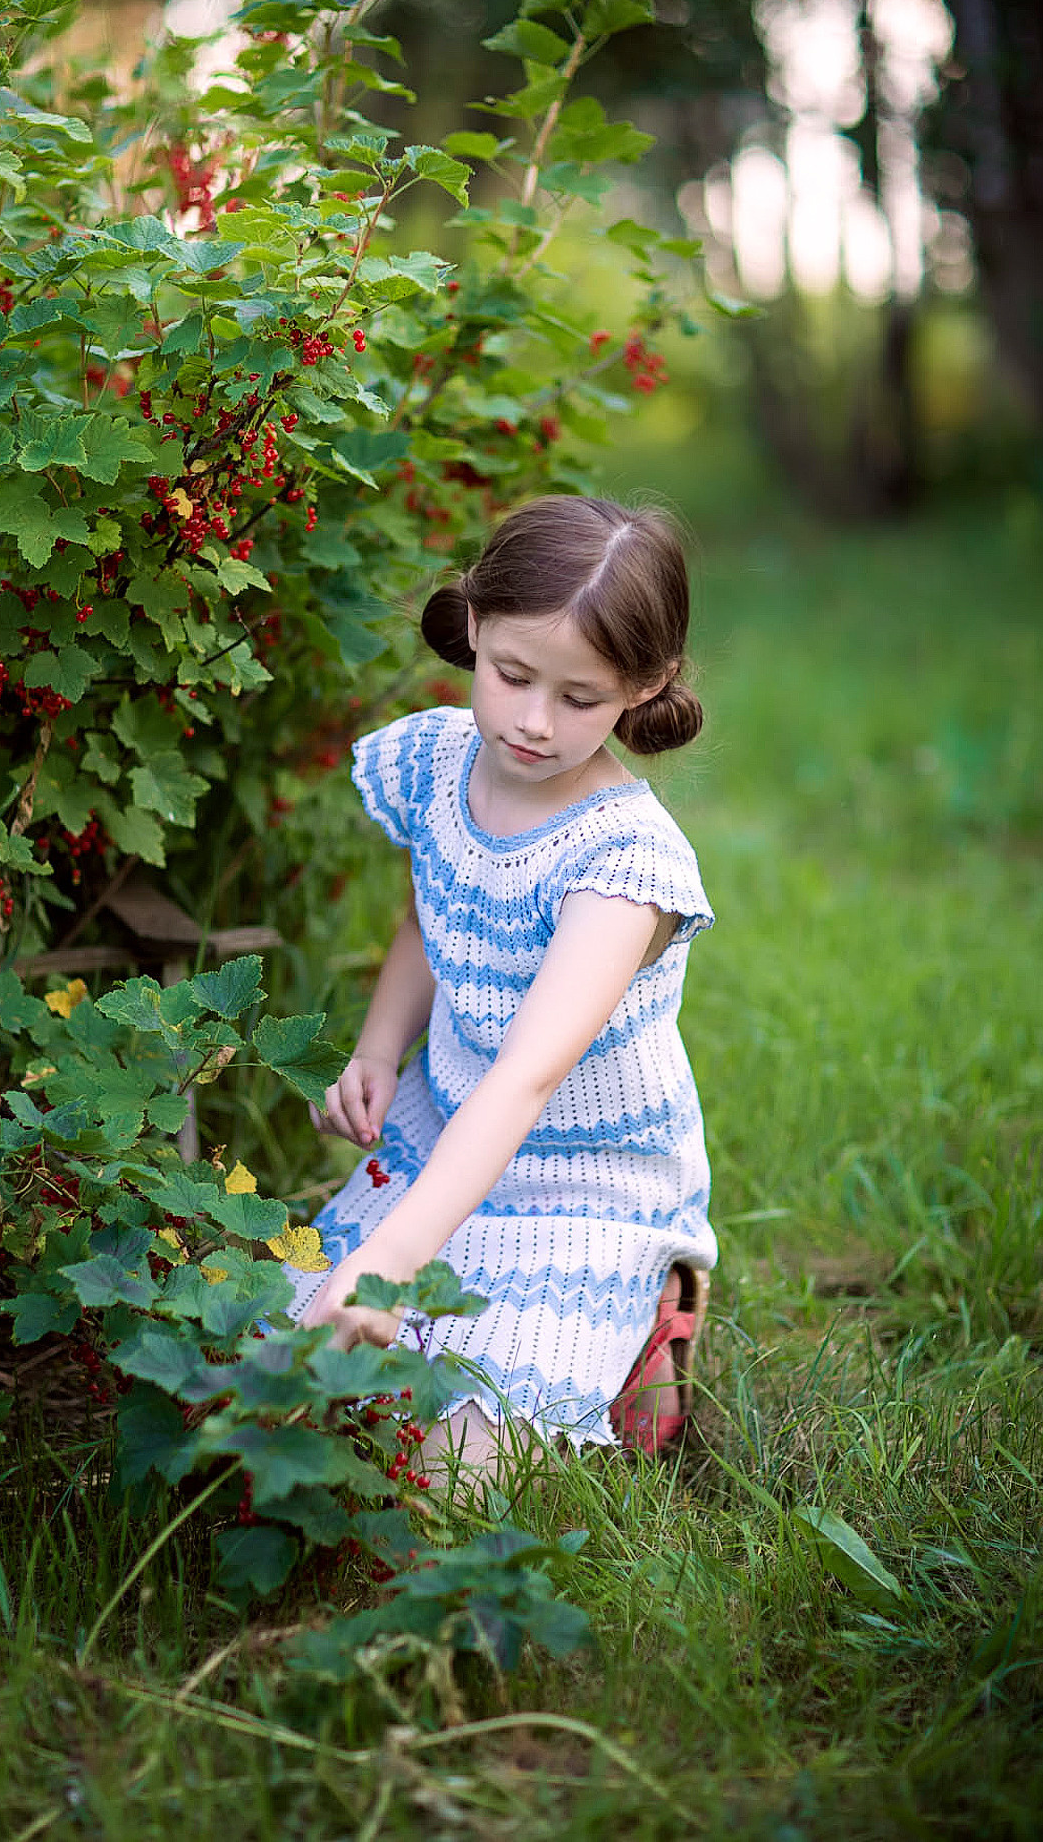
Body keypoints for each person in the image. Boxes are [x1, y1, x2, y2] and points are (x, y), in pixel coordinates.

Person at [286, 494, 717, 1480]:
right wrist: (376, 1050)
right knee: (291, 1352)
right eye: (512, 675)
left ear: (642, 685)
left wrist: (393, 1260)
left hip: (581, 1178)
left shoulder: (621, 862)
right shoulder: (441, 758)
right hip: (445, 1133)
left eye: (577, 696)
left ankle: (646, 1320)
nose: (530, 721)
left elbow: (525, 1078)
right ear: (473, 626)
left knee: (444, 1473)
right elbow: (425, 912)